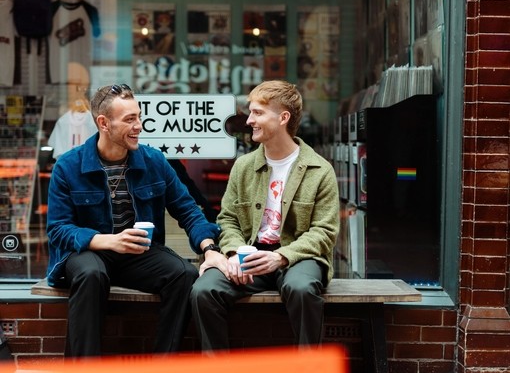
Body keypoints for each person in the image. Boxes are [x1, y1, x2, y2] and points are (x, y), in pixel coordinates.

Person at [45, 83, 226, 358]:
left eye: (139, 117)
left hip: (137, 254)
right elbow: (58, 230)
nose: (139, 125)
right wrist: (109, 241)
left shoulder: (153, 160)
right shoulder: (69, 165)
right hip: (90, 252)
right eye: (130, 119)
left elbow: (188, 210)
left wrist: (210, 250)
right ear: (104, 123)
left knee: (184, 274)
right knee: (91, 273)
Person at [190, 80, 340, 350]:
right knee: (204, 290)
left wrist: (281, 257)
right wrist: (234, 252)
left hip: (297, 256)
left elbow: (325, 231)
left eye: (258, 113)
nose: (249, 120)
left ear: (283, 118)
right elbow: (228, 219)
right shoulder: (244, 166)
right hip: (250, 254)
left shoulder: (320, 169)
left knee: (302, 289)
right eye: (251, 112)